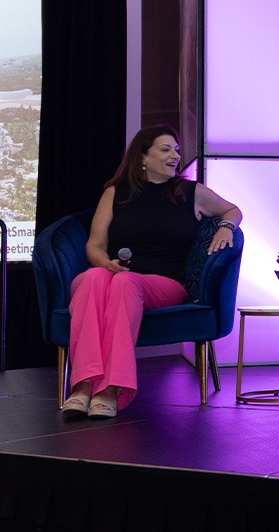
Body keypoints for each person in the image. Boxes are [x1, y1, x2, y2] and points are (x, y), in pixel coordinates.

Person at [62, 125, 242, 418]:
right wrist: (105, 264)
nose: (175, 156)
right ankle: (83, 384)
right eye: (165, 149)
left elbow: (233, 210)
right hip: (114, 274)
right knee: (92, 277)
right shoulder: (115, 193)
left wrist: (226, 226)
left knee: (124, 283)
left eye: (177, 150)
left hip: (164, 283)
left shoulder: (190, 192)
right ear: (143, 157)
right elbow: (95, 246)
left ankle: (111, 388)